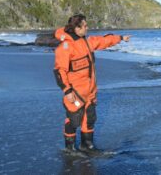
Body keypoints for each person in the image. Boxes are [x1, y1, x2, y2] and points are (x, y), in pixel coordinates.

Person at [53, 14, 130, 157]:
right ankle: (69, 148)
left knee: (90, 117)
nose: (87, 27)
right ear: (77, 28)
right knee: (73, 118)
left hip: (90, 90)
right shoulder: (65, 47)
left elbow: (103, 41)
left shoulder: (86, 42)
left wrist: (120, 38)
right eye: (85, 25)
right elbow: (59, 71)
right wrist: (67, 90)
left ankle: (87, 146)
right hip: (75, 91)